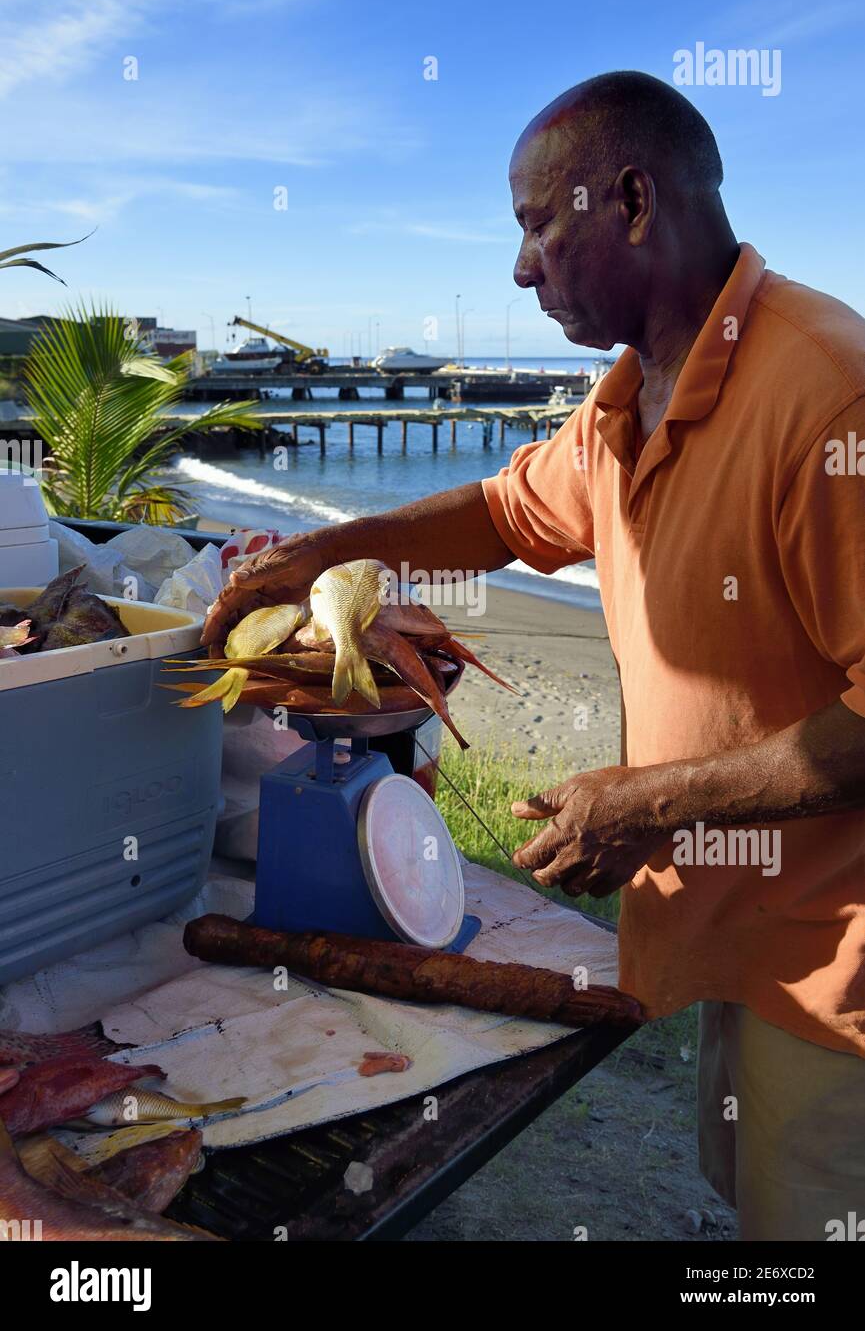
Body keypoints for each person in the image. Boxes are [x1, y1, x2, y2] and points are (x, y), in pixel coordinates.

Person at [204, 71, 865, 1242]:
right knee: (750, 1211)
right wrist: (316, 551)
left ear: (629, 201)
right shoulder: (625, 398)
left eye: (532, 223)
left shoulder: (827, 395)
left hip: (839, 970)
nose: (519, 268)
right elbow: (500, 516)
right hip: (737, 925)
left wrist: (656, 798)